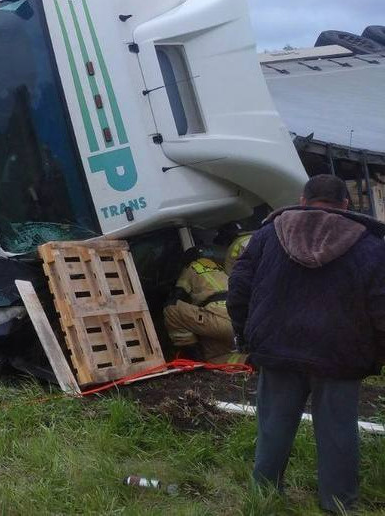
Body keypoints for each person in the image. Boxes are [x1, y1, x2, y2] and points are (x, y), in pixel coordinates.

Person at [228, 174, 385, 513]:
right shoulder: (370, 244)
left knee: (273, 429)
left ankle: (264, 498)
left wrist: (246, 337)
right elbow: (381, 304)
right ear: (346, 205)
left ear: (303, 199)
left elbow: (239, 286)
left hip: (277, 348)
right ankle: (339, 505)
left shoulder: (269, 234)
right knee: (339, 434)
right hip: (340, 356)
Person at [162, 248, 238, 363]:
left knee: (171, 309)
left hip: (218, 320)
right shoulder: (220, 269)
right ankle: (250, 361)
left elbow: (177, 296)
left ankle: (192, 357)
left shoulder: (191, 268)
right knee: (215, 357)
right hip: (239, 322)